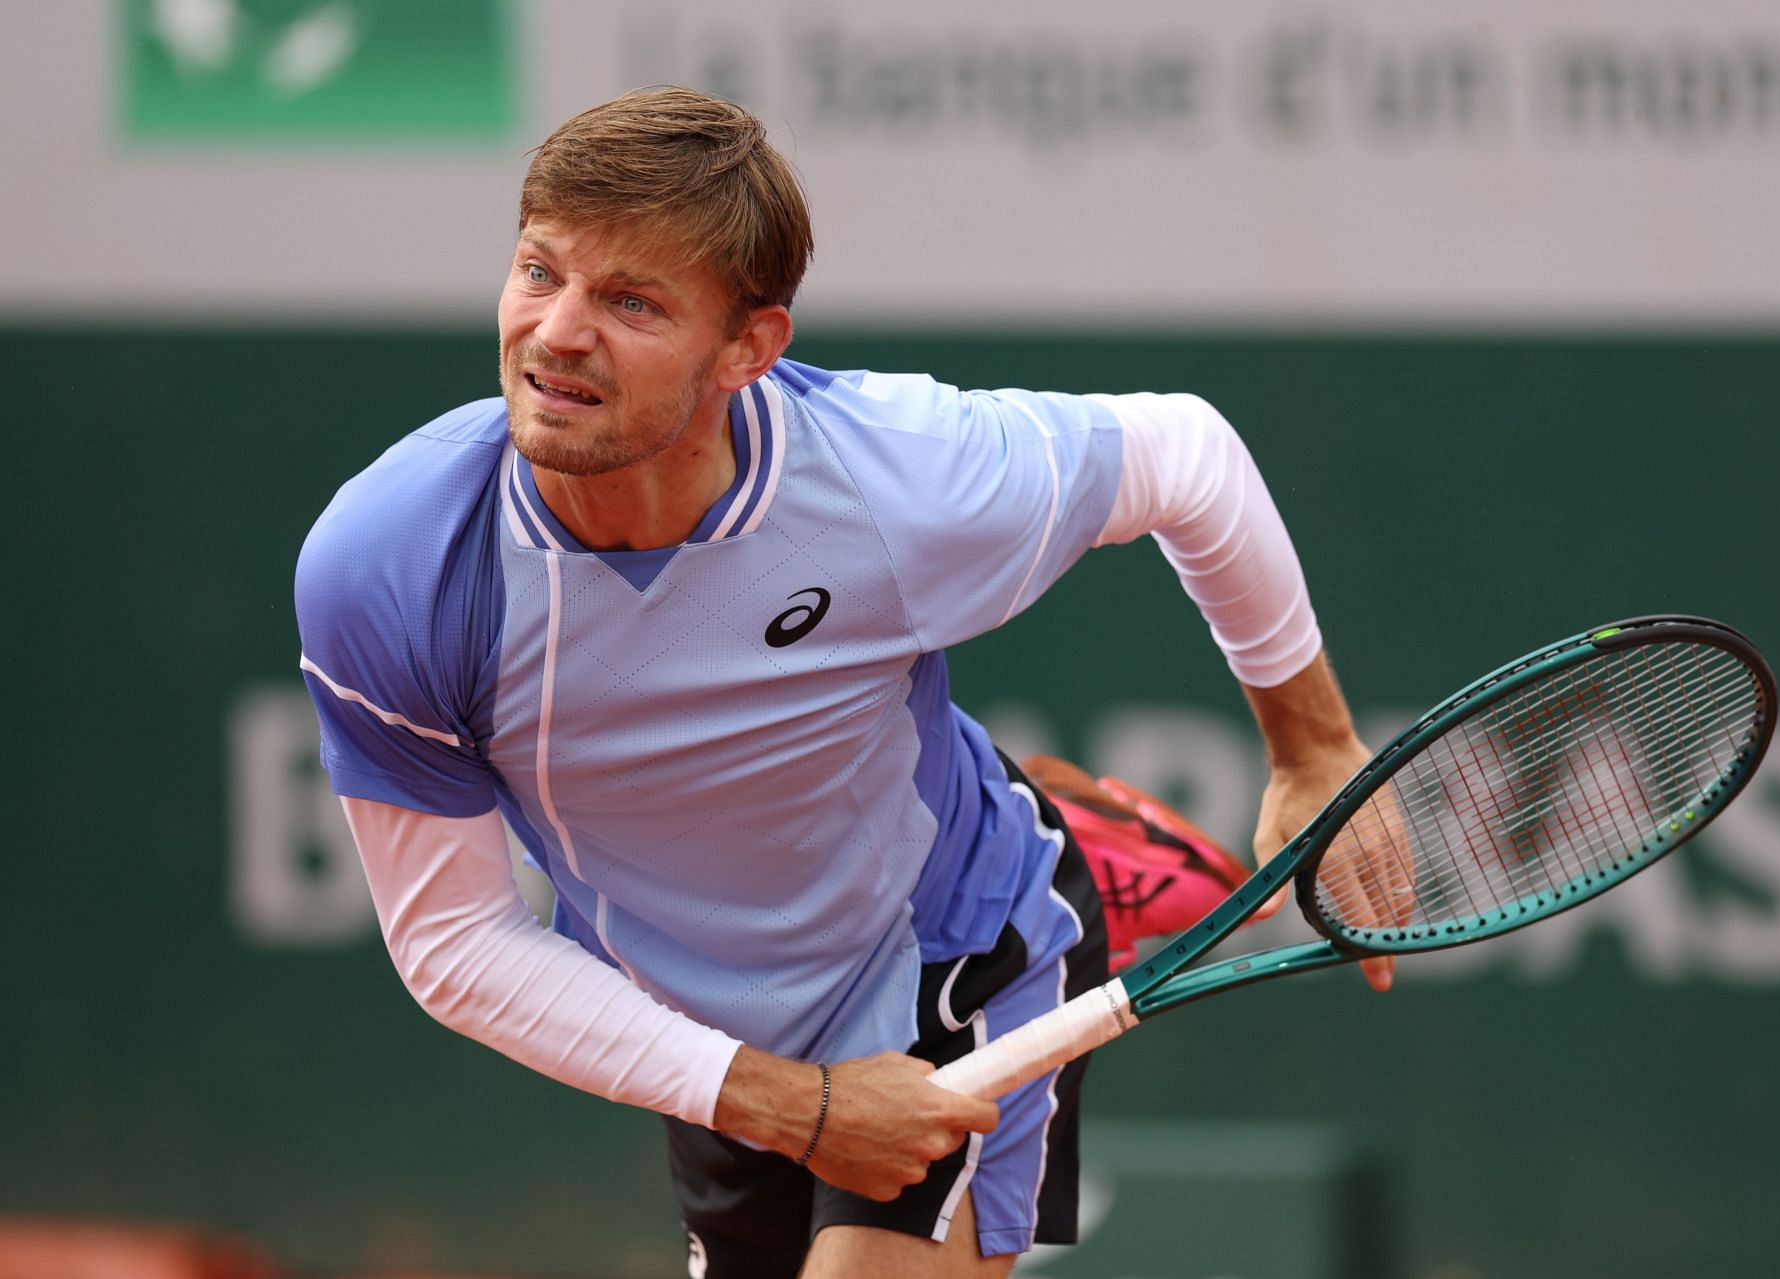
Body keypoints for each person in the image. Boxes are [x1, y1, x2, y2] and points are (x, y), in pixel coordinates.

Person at [294, 86, 1391, 1279]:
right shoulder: (394, 566)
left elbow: (1187, 457)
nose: (557, 332)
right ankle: (1098, 842)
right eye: (538, 271)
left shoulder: (891, 476)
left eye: (632, 301)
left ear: (749, 350)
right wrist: (796, 1103)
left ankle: (1061, 860)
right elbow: (456, 939)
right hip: (715, 1036)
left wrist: (1312, 750)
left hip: (948, 950)